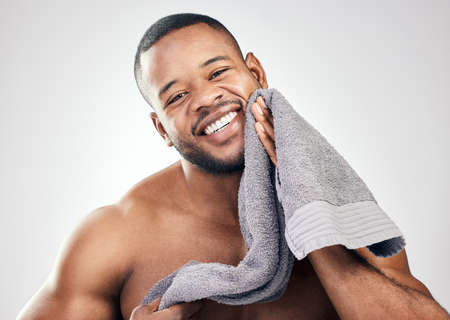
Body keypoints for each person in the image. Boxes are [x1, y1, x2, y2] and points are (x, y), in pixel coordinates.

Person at [18, 13, 449, 320]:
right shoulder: (113, 238)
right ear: (161, 129)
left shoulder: (338, 209)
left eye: (218, 72)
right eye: (176, 96)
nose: (205, 99)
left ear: (256, 72)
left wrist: (318, 234)